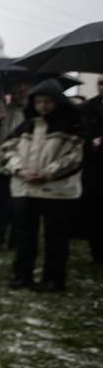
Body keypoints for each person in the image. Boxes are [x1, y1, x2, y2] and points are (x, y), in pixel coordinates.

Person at [0, 79, 84, 291]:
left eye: (48, 101)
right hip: (25, 188)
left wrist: (48, 173)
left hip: (57, 191)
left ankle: (53, 279)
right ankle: (22, 275)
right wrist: (20, 170)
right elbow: (8, 150)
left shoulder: (71, 126)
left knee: (56, 238)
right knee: (24, 235)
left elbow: (75, 157)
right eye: (38, 102)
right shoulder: (26, 125)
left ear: (57, 102)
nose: (43, 106)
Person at [0, 78, 30, 250]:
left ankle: (15, 239)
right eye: (17, 89)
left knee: (17, 205)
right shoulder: (0, 111)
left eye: (24, 89)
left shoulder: (31, 113)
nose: (21, 92)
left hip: (20, 162)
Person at [79, 76, 103, 263]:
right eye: (101, 83)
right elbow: (80, 133)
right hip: (95, 166)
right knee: (95, 210)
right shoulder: (86, 108)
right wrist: (90, 142)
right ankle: (98, 251)